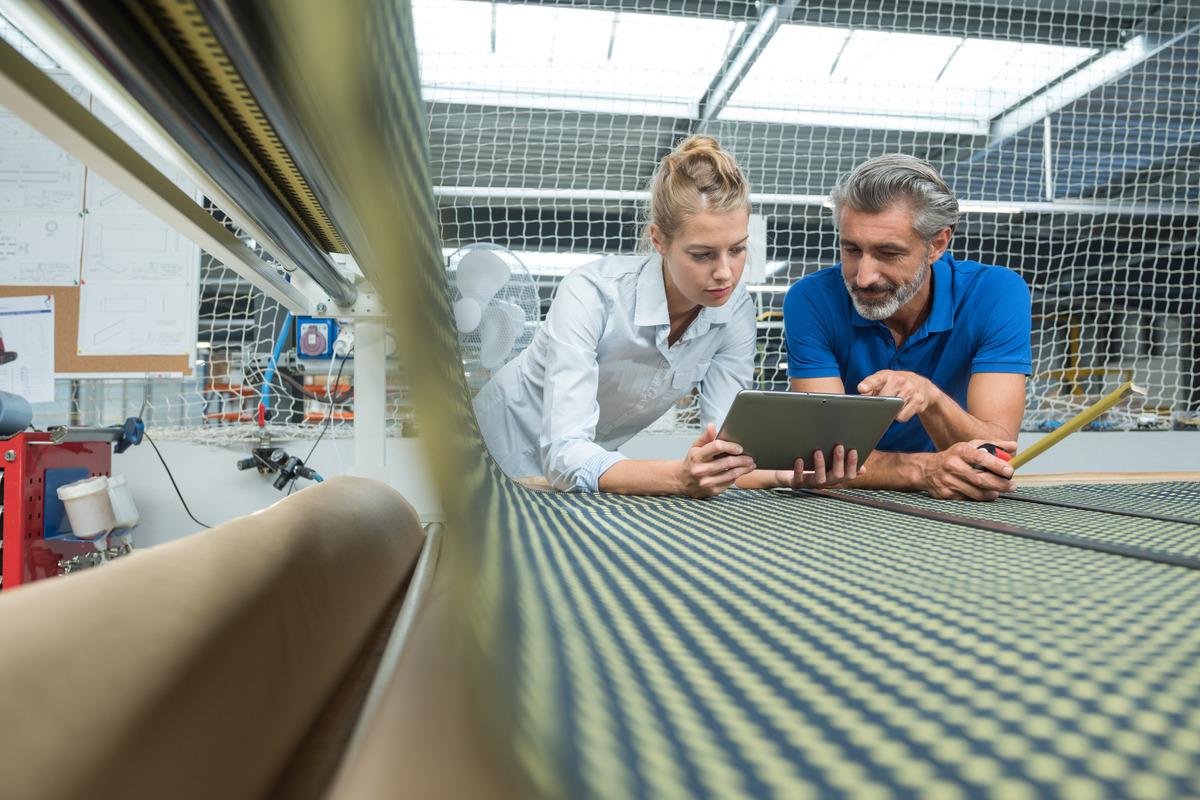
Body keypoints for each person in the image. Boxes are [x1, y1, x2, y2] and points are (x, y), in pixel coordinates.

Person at [475, 135, 860, 497]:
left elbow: (728, 447)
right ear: (659, 239)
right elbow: (563, 457)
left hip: (580, 470)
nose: (725, 272)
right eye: (702, 254)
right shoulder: (590, 293)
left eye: (738, 249)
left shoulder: (736, 308)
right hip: (483, 451)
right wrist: (678, 476)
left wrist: (787, 475)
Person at [784, 154, 1031, 501]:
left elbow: (994, 455)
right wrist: (923, 470)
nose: (864, 276)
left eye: (888, 253)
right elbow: (821, 459)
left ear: (937, 245)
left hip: (951, 507)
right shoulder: (810, 300)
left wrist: (930, 399)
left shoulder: (996, 294)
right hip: (845, 506)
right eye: (851, 249)